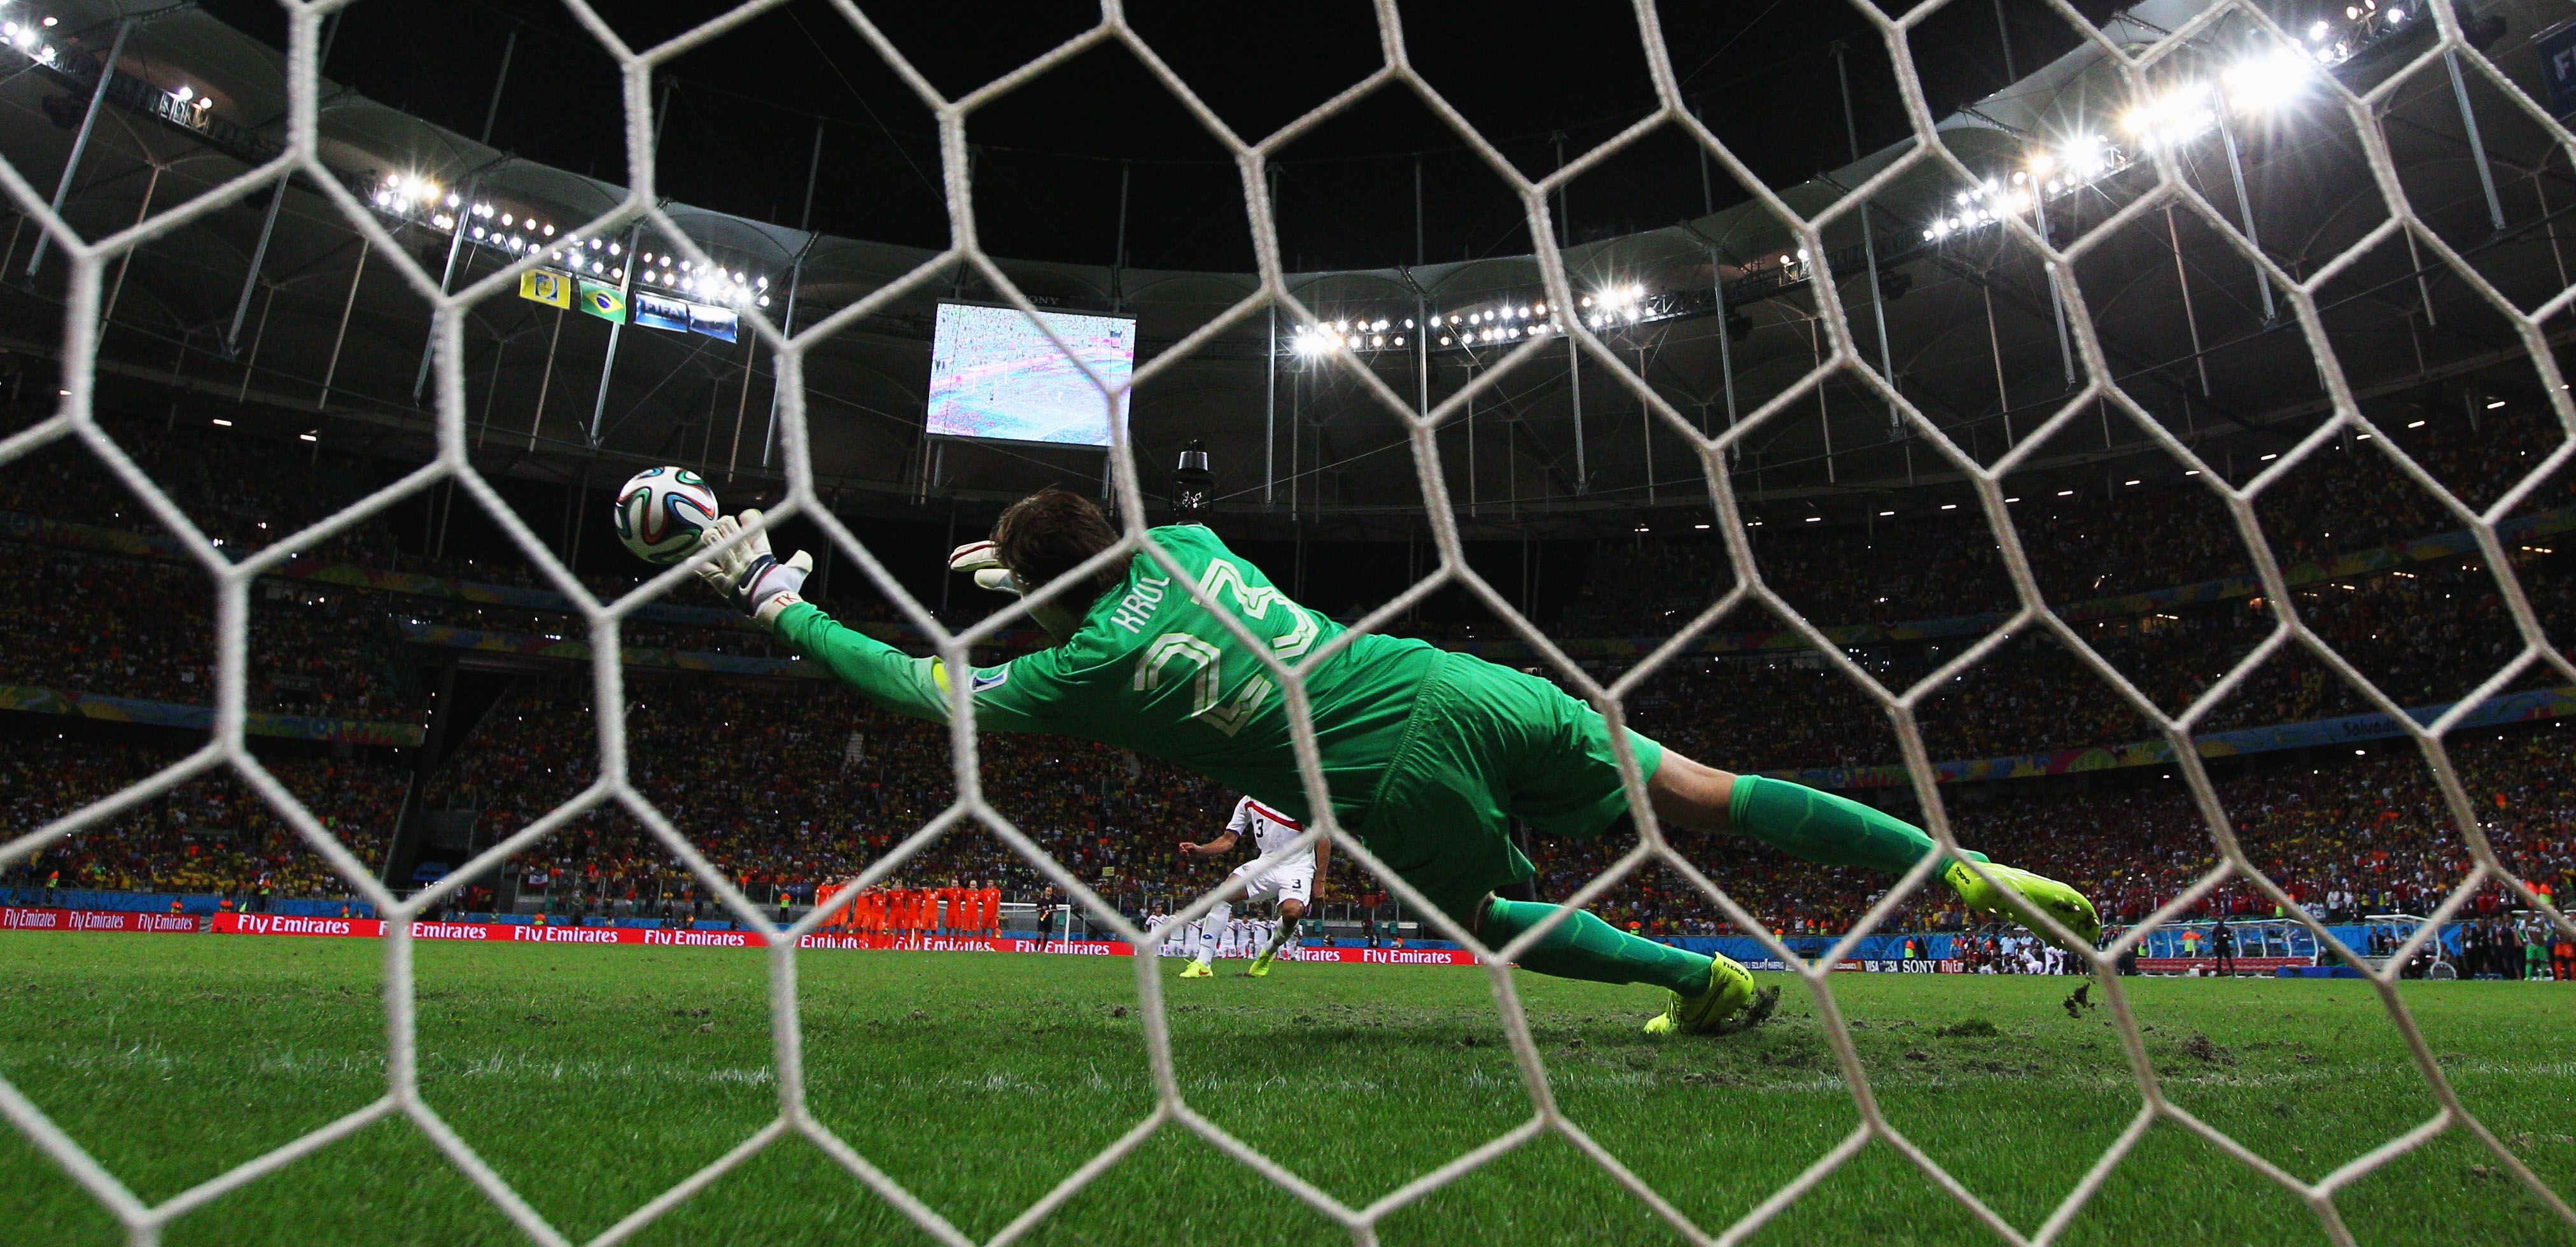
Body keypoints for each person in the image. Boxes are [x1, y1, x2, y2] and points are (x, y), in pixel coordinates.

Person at [692, 491, 2101, 1037]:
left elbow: (916, 681)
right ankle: (1966, 870)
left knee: (1486, 923)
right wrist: (1042, 556)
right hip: (1449, 676)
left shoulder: (1074, 675)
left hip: (1397, 771)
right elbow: (1113, 555)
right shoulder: (1186, 545)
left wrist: (778, 601)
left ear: (1045, 595)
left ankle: (1710, 984)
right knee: (1702, 790)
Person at [1178, 793, 1329, 979]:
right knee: (1225, 893)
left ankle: (1269, 950)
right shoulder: (1249, 801)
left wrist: (1320, 881)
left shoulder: (1299, 799)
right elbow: (1227, 841)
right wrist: (1201, 850)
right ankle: (1203, 963)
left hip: (1297, 867)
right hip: (1266, 862)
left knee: (1292, 913)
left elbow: (1323, 840)